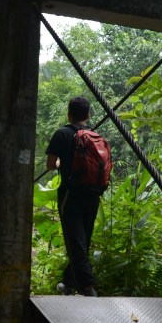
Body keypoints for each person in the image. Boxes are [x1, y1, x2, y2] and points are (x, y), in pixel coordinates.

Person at [46, 95, 109, 296]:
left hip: (71, 195)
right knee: (83, 239)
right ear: (88, 115)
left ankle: (88, 287)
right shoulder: (95, 137)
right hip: (93, 194)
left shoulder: (62, 134)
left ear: (69, 114)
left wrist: (60, 164)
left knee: (75, 240)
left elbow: (50, 164)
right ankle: (69, 283)